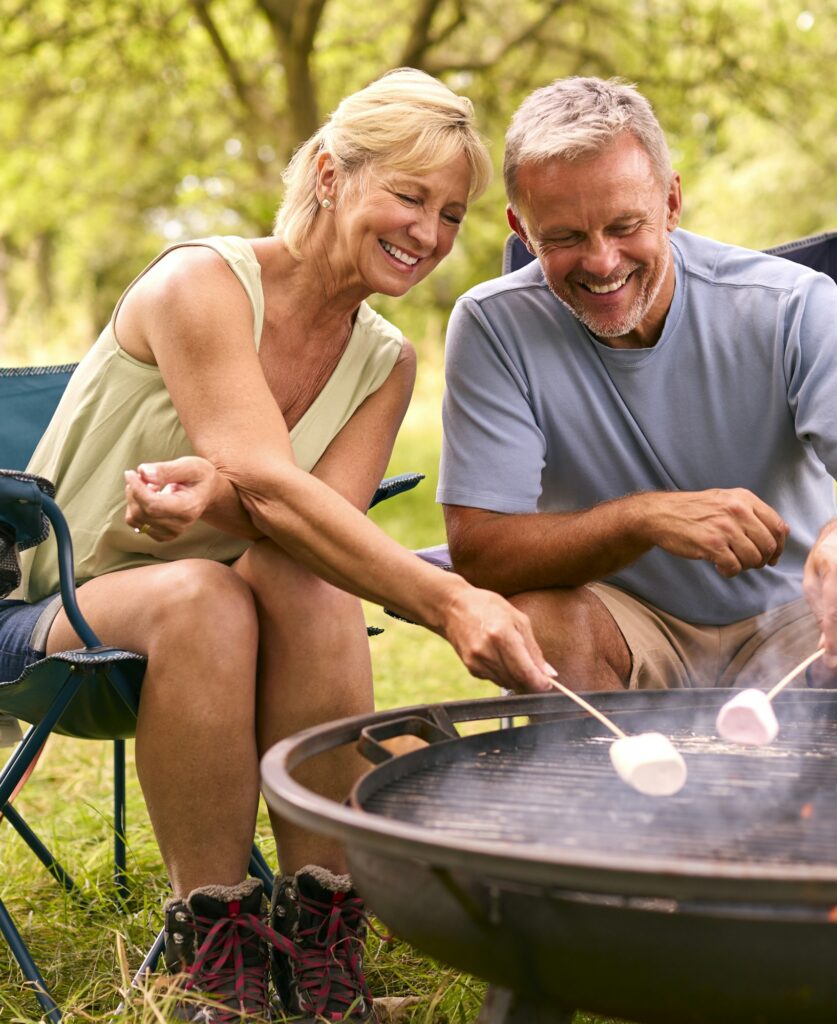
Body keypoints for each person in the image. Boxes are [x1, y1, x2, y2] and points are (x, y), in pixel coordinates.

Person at [1, 69, 553, 1023]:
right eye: (410, 196)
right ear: (333, 175)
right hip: (57, 607)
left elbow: (313, 527)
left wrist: (231, 498)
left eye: (453, 214)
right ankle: (210, 950)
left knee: (305, 577)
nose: (429, 233)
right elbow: (274, 486)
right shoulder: (201, 283)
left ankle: (319, 932)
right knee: (201, 596)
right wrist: (452, 601)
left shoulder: (387, 359)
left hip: (244, 611)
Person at [438, 76, 837, 702]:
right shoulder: (492, 325)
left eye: (624, 224)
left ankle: (831, 802)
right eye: (565, 238)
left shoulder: (791, 305)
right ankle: (605, 801)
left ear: (670, 201)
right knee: (542, 627)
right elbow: (481, 551)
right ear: (522, 230)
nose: (602, 262)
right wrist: (643, 519)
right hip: (619, 626)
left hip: (794, 626)